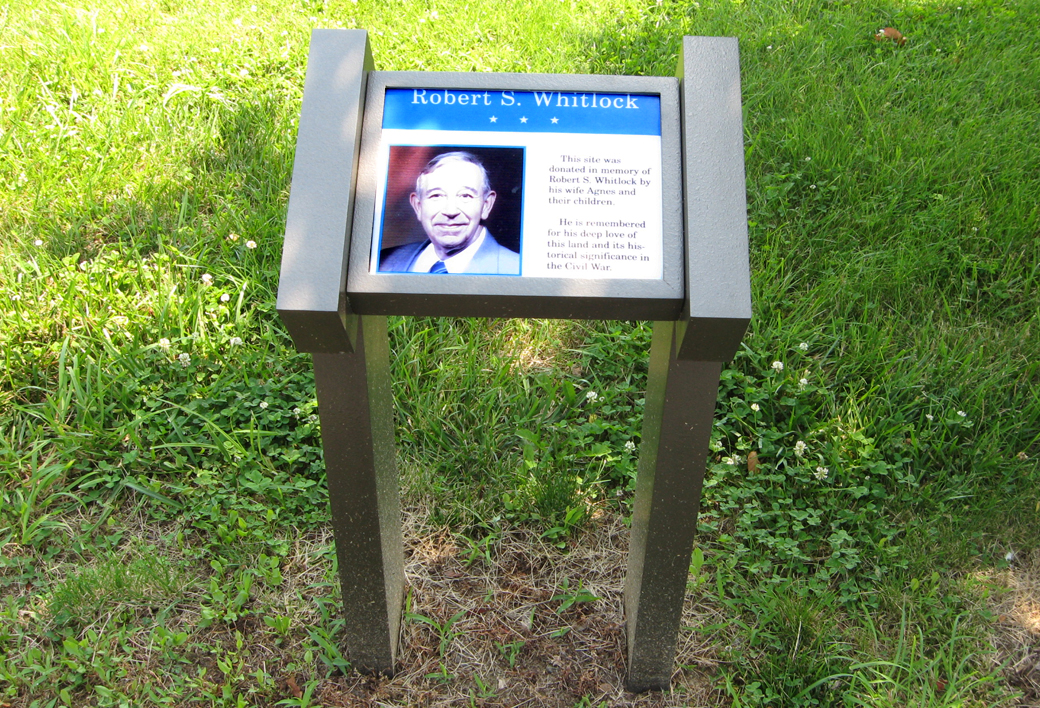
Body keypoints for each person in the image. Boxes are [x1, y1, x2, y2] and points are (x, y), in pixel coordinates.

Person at [379, 151, 520, 274]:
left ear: (486, 205)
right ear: (418, 206)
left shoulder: (517, 268)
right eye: (436, 196)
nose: (450, 211)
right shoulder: (383, 261)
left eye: (465, 196)